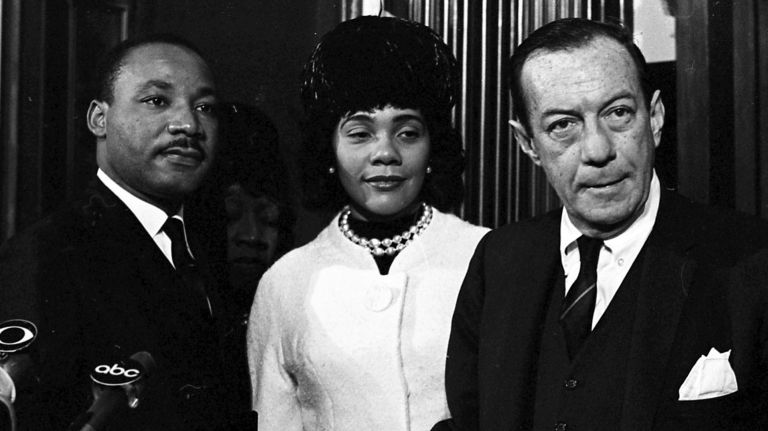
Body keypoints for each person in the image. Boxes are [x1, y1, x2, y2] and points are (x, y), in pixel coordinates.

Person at [444, 18, 768, 431]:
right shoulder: (499, 259)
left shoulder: (752, 262)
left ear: (654, 117)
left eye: (618, 113)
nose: (597, 150)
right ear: (528, 144)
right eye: (563, 125)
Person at [0, 34, 255, 430]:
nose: (188, 124)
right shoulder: (47, 252)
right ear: (99, 119)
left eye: (204, 107)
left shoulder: (206, 245)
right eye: (157, 101)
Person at [247, 16, 489, 430]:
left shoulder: (487, 257)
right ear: (329, 147)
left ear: (433, 144)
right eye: (360, 133)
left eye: (407, 133)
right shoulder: (285, 282)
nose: (385, 153)